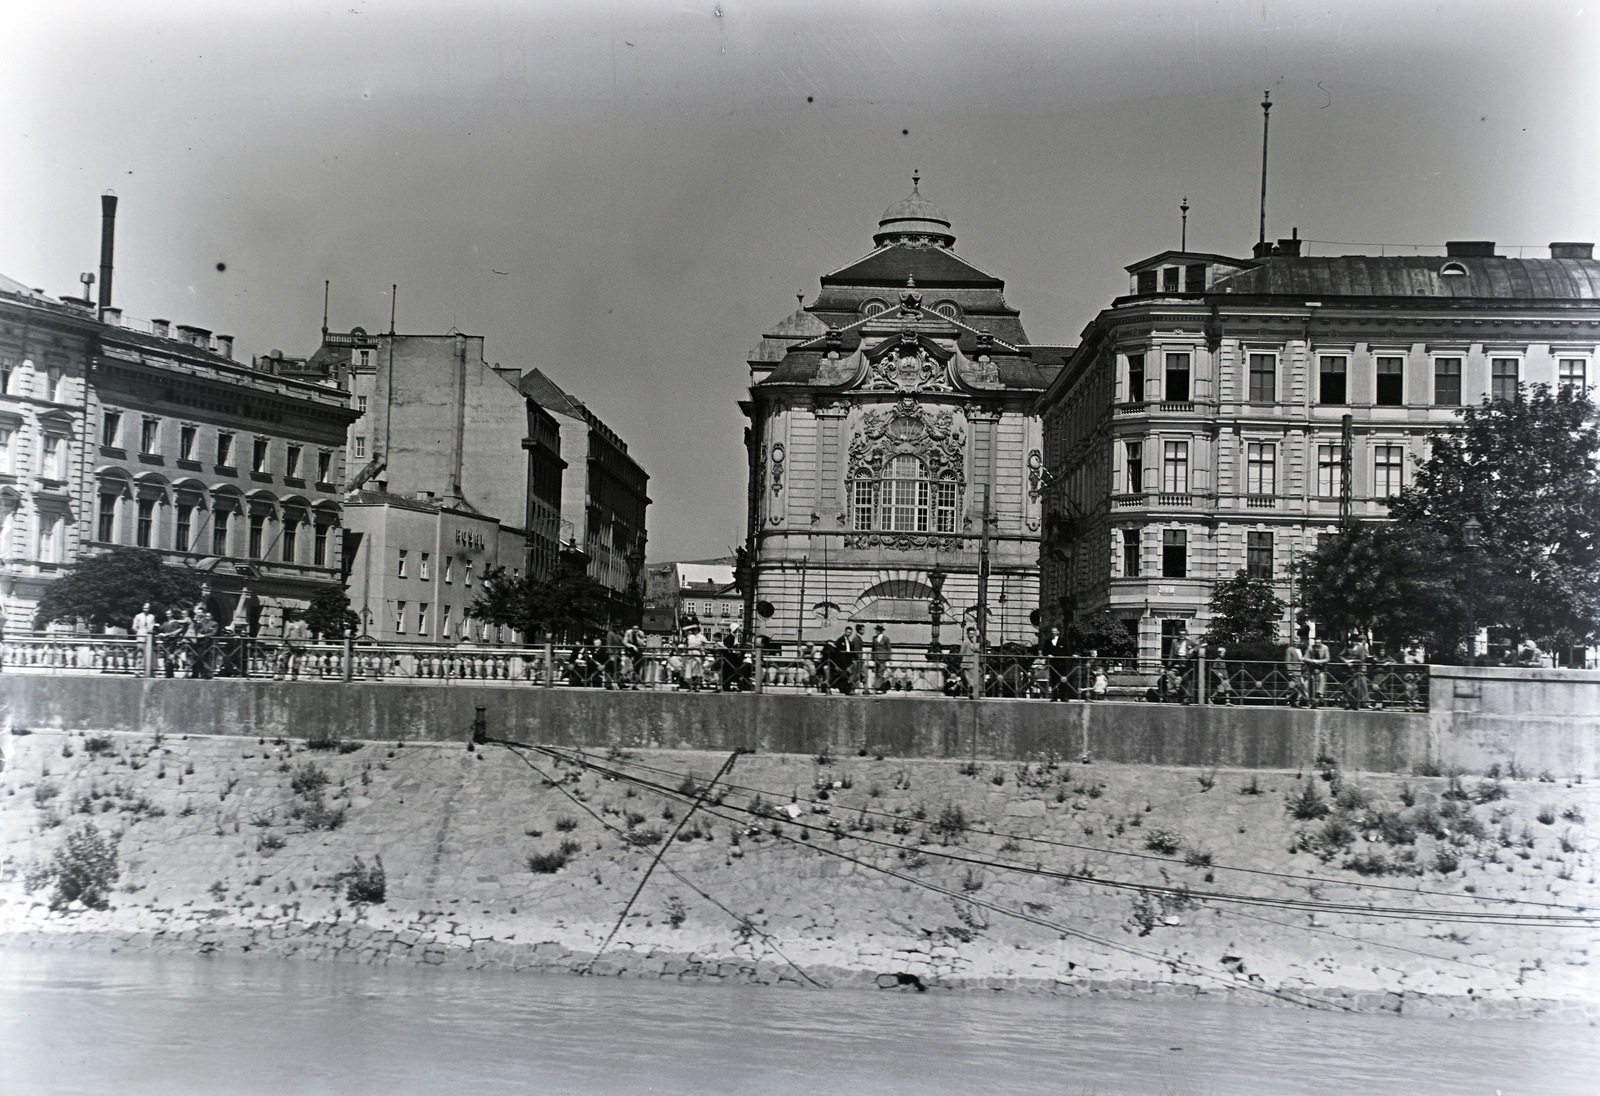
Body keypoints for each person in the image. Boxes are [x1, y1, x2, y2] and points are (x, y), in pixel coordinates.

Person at [1040, 624, 1071, 701]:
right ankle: (1054, 697)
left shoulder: (1063, 641)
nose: (1053, 633)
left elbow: (1067, 651)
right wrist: (1048, 655)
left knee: (1063, 680)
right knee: (1053, 680)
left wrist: (1073, 655)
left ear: (1058, 632)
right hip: (1052, 664)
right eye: (1052, 632)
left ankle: (1063, 697)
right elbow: (1044, 652)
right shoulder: (1048, 641)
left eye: (1054, 631)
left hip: (1062, 664)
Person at [1341, 634, 1371, 710]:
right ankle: (1351, 703)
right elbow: (1340, 655)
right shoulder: (1347, 648)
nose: (1354, 643)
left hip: (1358, 669)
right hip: (1350, 670)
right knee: (1351, 687)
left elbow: (1362, 659)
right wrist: (1345, 661)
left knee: (1361, 685)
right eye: (1352, 641)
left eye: (1355, 641)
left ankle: (1365, 702)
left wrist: (1352, 661)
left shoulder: (1361, 648)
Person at [1304, 635, 1331, 709]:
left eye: (1319, 643)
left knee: (1322, 677)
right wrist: (1313, 661)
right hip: (1312, 668)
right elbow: (1305, 658)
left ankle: (1319, 693)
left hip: (1321, 667)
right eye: (1316, 643)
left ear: (1321, 643)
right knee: (1312, 680)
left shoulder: (1325, 648)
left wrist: (1319, 661)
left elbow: (1327, 658)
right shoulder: (1310, 648)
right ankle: (1312, 700)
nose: (1317, 644)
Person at [131, 602, 158, 673]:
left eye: (148, 607)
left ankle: (148, 671)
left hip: (149, 638)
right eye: (145, 607)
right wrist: (139, 632)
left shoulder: (152, 617)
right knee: (139, 655)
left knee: (148, 655)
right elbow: (134, 627)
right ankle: (137, 671)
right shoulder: (138, 616)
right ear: (142, 608)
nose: (146, 609)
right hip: (141, 638)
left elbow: (153, 626)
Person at [622, 623, 647, 689]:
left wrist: (638, 637)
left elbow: (642, 643)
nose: (635, 630)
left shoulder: (641, 633)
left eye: (637, 629)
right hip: (630, 651)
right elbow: (625, 642)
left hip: (638, 652)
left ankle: (635, 684)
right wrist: (632, 646)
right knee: (628, 667)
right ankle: (626, 681)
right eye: (634, 629)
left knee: (637, 668)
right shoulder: (628, 632)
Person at [871, 625, 893, 693]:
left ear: (880, 631)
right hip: (876, 658)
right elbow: (873, 648)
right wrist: (872, 657)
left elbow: (889, 648)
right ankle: (879, 687)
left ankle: (878, 688)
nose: (876, 632)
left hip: (883, 658)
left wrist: (889, 658)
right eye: (876, 630)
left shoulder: (886, 638)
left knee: (880, 673)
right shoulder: (874, 638)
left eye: (877, 630)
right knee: (877, 672)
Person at [846, 623, 866, 693]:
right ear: (859, 630)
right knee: (855, 675)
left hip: (859, 659)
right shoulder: (856, 639)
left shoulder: (858, 638)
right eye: (863, 630)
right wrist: (860, 659)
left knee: (862, 674)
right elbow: (857, 651)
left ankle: (865, 689)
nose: (864, 631)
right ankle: (852, 689)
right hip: (857, 660)